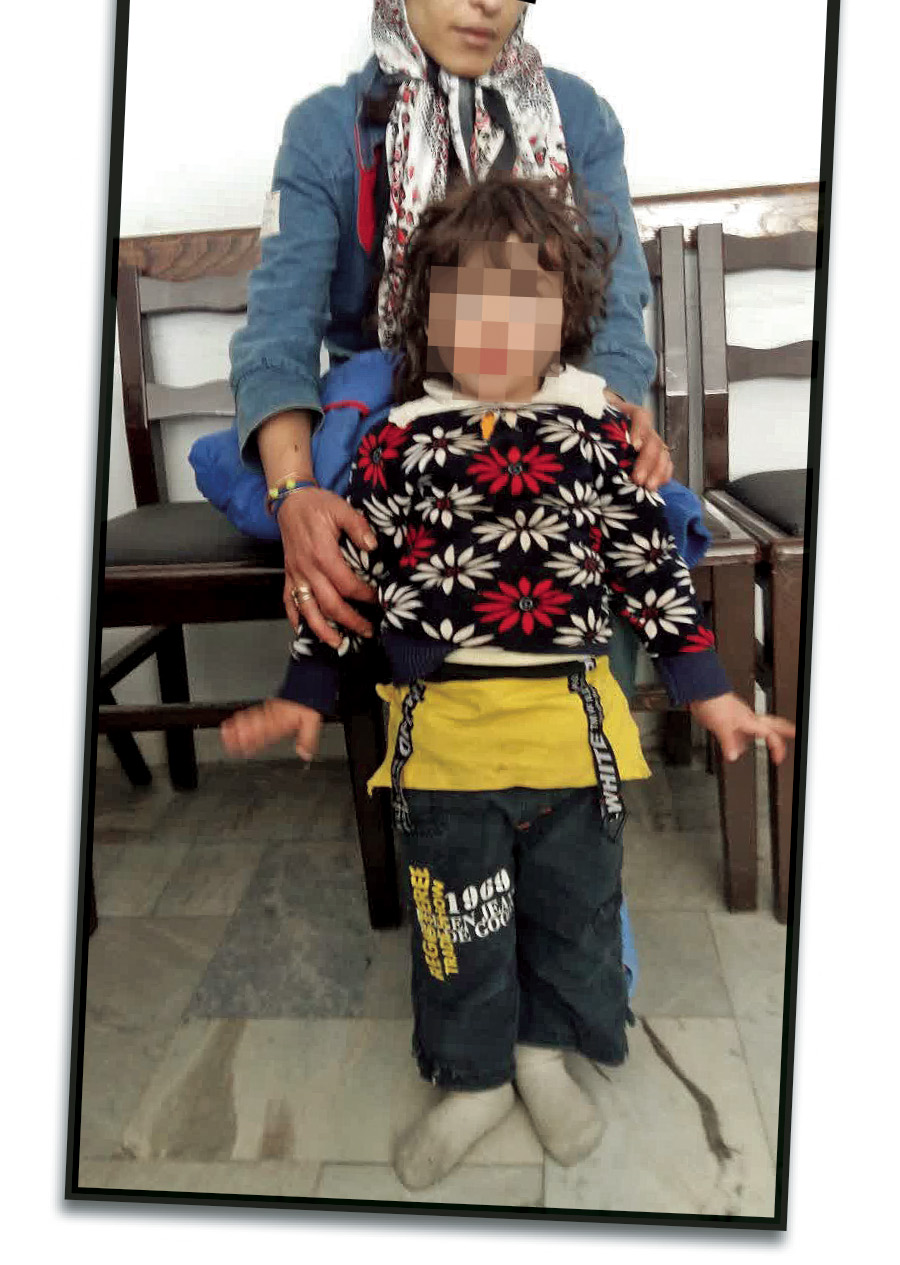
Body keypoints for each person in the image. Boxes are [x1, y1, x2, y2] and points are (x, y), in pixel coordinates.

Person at [221, 175, 795, 1191]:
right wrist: (301, 695)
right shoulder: (395, 445)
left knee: (573, 919)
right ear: (426, 316)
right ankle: (474, 1076)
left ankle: (541, 1055)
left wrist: (712, 694)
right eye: (468, 296)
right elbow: (351, 582)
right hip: (442, 756)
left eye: (525, 295)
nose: (495, 322)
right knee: (457, 926)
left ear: (566, 317)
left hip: (571, 746)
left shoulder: (599, 436)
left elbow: (649, 571)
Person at [228, 0, 670, 707]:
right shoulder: (327, 130)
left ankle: (583, 740)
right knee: (396, 517)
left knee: (607, 496)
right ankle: (431, 753)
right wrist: (293, 490)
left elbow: (614, 301)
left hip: (554, 396)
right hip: (396, 415)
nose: (487, 0)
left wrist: (610, 415)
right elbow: (278, 328)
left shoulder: (577, 115)